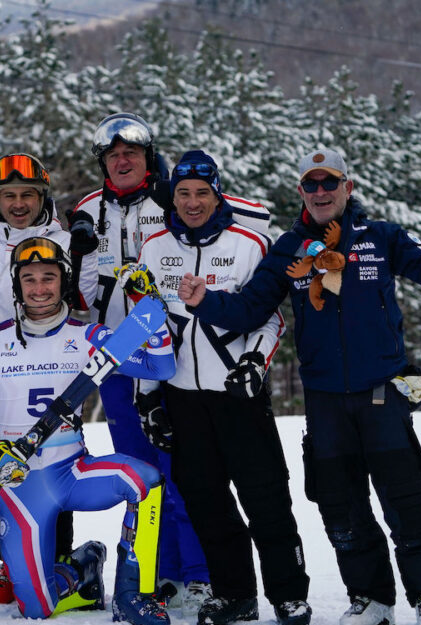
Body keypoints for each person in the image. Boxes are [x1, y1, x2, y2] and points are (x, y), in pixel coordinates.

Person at [179, 148, 421, 625]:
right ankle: (371, 599)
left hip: (382, 394)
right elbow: (251, 309)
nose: (320, 192)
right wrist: (206, 302)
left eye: (330, 183)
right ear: (301, 191)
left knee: (404, 499)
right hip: (324, 401)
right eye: (311, 184)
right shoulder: (290, 247)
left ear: (349, 188)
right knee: (341, 507)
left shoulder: (381, 237)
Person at [0, 236, 176, 625]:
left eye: (49, 277)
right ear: (17, 285)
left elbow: (160, 368)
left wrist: (153, 317)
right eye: (29, 279)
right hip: (20, 487)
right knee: (37, 608)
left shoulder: (88, 336)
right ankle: (83, 566)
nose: (40, 288)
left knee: (146, 480)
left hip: (74, 472)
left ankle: (133, 593)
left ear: (64, 281)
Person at [134, 150, 312, 625]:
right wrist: (148, 395)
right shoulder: (153, 247)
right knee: (206, 501)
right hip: (182, 397)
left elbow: (268, 317)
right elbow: (148, 326)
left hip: (238, 393)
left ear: (217, 193)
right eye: (184, 193)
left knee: (266, 498)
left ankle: (289, 594)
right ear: (172, 195)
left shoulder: (249, 242)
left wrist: (254, 363)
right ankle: (235, 594)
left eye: (202, 193)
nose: (192, 203)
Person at [71, 113, 232, 615]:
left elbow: (235, 220)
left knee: (182, 466)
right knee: (139, 470)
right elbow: (77, 288)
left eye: (132, 154)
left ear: (148, 158)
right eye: (114, 154)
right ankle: (155, 572)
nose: (123, 161)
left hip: (172, 354)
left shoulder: (171, 197)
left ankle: (199, 575)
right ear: (103, 162)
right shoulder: (87, 209)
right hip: (117, 356)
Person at [0, 152, 98, 603]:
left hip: (51, 377)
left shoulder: (63, 237)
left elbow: (86, 300)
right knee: (0, 472)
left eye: (28, 195)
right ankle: (8, 558)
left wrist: (86, 252)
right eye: (9, 195)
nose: (19, 204)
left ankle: (57, 556)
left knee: (55, 469)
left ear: (43, 196)